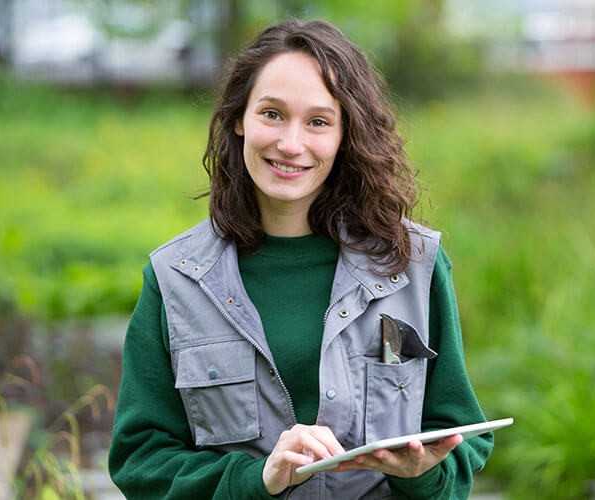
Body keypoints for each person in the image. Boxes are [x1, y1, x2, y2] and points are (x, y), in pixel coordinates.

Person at [108, 19, 493, 499]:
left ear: (344, 135)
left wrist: (424, 475)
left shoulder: (412, 265)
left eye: (318, 121)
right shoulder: (176, 279)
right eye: (272, 114)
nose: (291, 144)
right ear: (238, 119)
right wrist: (255, 481)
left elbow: (461, 440)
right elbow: (141, 461)